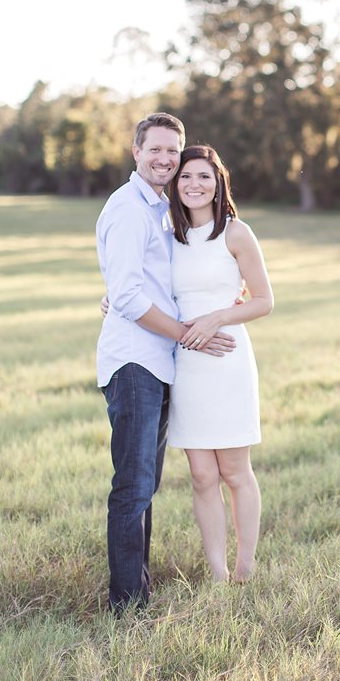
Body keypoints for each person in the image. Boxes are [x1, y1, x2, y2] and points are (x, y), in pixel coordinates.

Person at [96, 112, 236, 614]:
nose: (164, 159)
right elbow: (130, 295)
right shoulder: (131, 208)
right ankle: (127, 605)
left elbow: (133, 283)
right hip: (135, 363)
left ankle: (137, 590)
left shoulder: (158, 208)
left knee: (144, 484)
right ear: (136, 152)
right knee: (132, 487)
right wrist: (188, 335)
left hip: (157, 364)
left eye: (172, 151)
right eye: (154, 149)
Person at [167, 143, 274, 583]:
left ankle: (245, 567)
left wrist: (218, 317)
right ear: (175, 184)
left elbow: (264, 300)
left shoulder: (235, 232)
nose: (194, 184)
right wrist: (111, 296)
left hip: (227, 356)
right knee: (200, 474)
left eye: (204, 177)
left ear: (218, 184)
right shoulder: (165, 233)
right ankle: (216, 572)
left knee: (233, 469)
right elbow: (142, 283)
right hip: (186, 361)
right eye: (186, 176)